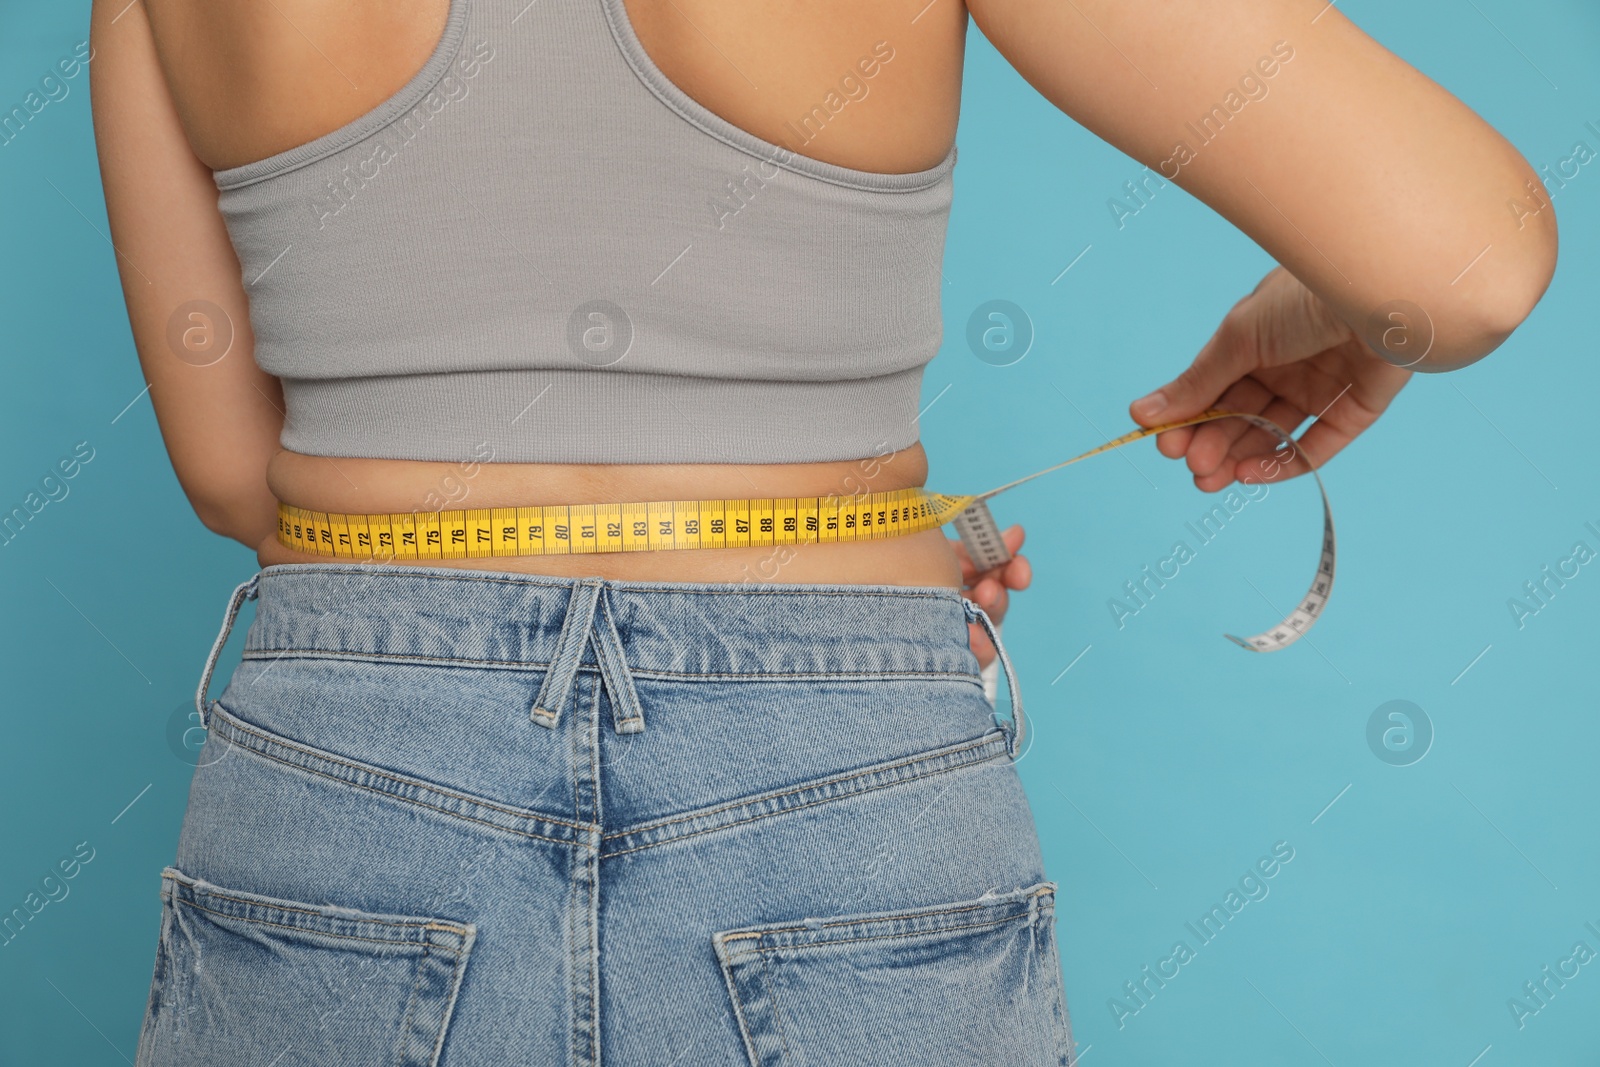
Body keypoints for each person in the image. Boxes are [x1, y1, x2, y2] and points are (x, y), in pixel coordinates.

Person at [90, 0, 1556, 1063]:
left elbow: (237, 480)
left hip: (352, 771)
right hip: (835, 759)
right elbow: (1465, 269)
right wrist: (1317, 315)